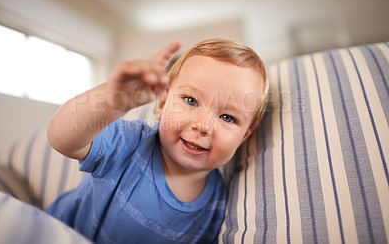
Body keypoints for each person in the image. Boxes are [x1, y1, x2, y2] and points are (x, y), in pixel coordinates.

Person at [45, 38, 268, 243]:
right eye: (191, 100)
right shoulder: (129, 144)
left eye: (227, 117)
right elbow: (62, 138)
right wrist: (114, 102)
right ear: (162, 104)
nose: (203, 126)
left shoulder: (219, 205)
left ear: (243, 137)